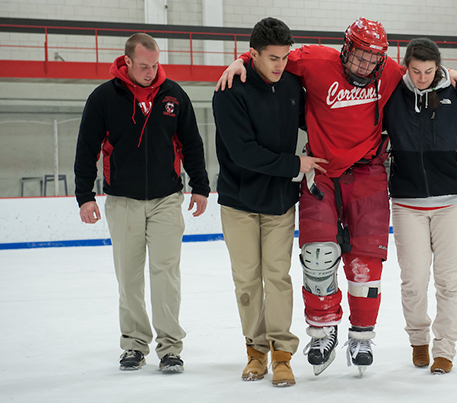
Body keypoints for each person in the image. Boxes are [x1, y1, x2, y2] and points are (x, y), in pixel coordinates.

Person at [217, 17, 408, 375]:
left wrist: (452, 77)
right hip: (319, 172)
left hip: (368, 172)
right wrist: (241, 60)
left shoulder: (392, 72)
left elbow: (424, 73)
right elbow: (272, 56)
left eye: (372, 59)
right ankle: (322, 331)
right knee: (317, 258)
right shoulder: (315, 59)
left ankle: (362, 335)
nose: (364, 65)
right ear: (346, 48)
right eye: (359, 56)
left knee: (365, 262)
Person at [74, 32, 210, 373]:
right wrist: (84, 196)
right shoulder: (103, 98)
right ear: (128, 62)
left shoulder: (174, 96)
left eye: (155, 65)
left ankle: (170, 348)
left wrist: (201, 187)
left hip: (166, 198)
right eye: (144, 66)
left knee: (166, 274)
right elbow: (86, 148)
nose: (151, 71)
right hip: (122, 201)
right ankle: (134, 344)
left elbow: (191, 143)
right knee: (129, 277)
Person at [212, 17, 327, 387]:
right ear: (253, 54)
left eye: (284, 57)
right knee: (247, 280)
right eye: (272, 58)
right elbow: (243, 153)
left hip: (279, 201)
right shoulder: (231, 89)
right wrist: (296, 164)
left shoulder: (293, 84)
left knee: (277, 277)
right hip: (239, 201)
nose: (280, 64)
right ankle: (255, 352)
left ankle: (281, 354)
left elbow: (319, 113)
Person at [383, 38, 457, 374]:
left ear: (438, 67)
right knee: (413, 280)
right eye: (416, 70)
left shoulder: (455, 94)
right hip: (408, 203)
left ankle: (445, 349)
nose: (422, 77)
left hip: (454, 202)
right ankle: (418, 341)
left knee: (449, 282)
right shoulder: (392, 94)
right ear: (406, 66)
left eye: (429, 71)